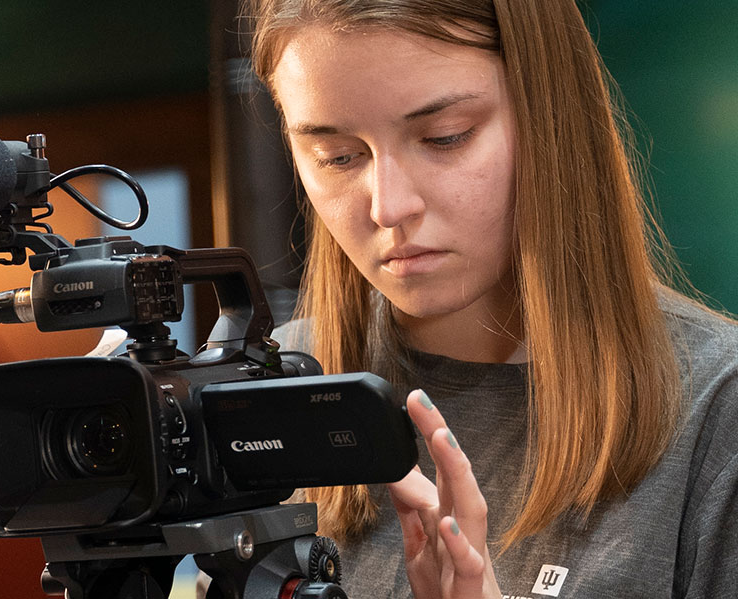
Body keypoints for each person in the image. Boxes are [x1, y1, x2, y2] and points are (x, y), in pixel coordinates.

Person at [246, 0, 738, 597]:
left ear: (550, 116)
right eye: (338, 157)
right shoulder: (260, 391)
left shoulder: (716, 409)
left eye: (445, 137)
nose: (388, 206)